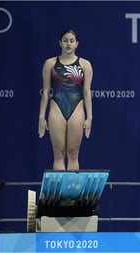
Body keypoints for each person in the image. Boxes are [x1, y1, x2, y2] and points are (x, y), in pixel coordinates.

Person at [38, 29, 93, 170]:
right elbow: (45, 92)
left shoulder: (85, 65)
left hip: (77, 108)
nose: (68, 44)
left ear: (77, 44)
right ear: (60, 43)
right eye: (65, 40)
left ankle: (71, 192)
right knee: (58, 153)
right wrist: (41, 117)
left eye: (72, 41)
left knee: (73, 154)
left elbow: (87, 92)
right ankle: (60, 193)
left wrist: (90, 117)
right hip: (57, 107)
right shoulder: (50, 64)